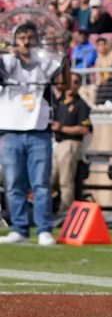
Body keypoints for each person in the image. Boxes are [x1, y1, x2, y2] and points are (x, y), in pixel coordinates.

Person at [0, 22, 67, 246]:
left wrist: (65, 53)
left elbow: (63, 84)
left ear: (37, 40)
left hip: (39, 131)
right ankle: (19, 228)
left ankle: (43, 229)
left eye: (30, 37)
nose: (26, 42)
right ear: (14, 40)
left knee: (40, 184)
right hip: (10, 130)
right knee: (14, 183)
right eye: (21, 38)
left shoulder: (45, 63)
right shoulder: (7, 62)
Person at [50, 72, 92, 214]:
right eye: (69, 81)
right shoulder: (59, 102)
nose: (71, 85)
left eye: (75, 82)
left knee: (65, 181)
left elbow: (84, 129)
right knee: (49, 180)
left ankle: (65, 213)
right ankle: (48, 209)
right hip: (56, 143)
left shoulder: (81, 105)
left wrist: (61, 128)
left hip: (70, 144)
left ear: (79, 85)